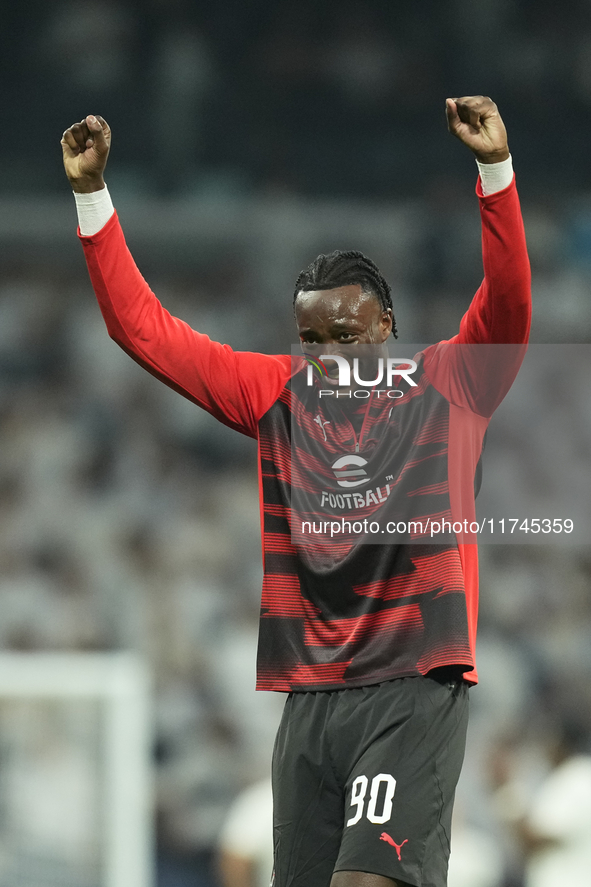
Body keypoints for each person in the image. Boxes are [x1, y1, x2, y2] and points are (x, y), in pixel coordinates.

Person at [61, 95, 531, 887]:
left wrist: (494, 170)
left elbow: (509, 304)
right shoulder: (277, 395)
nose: (328, 358)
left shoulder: (447, 386)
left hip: (411, 686)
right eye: (311, 341)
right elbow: (144, 331)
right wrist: (91, 196)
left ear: (386, 327)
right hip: (310, 698)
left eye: (345, 338)